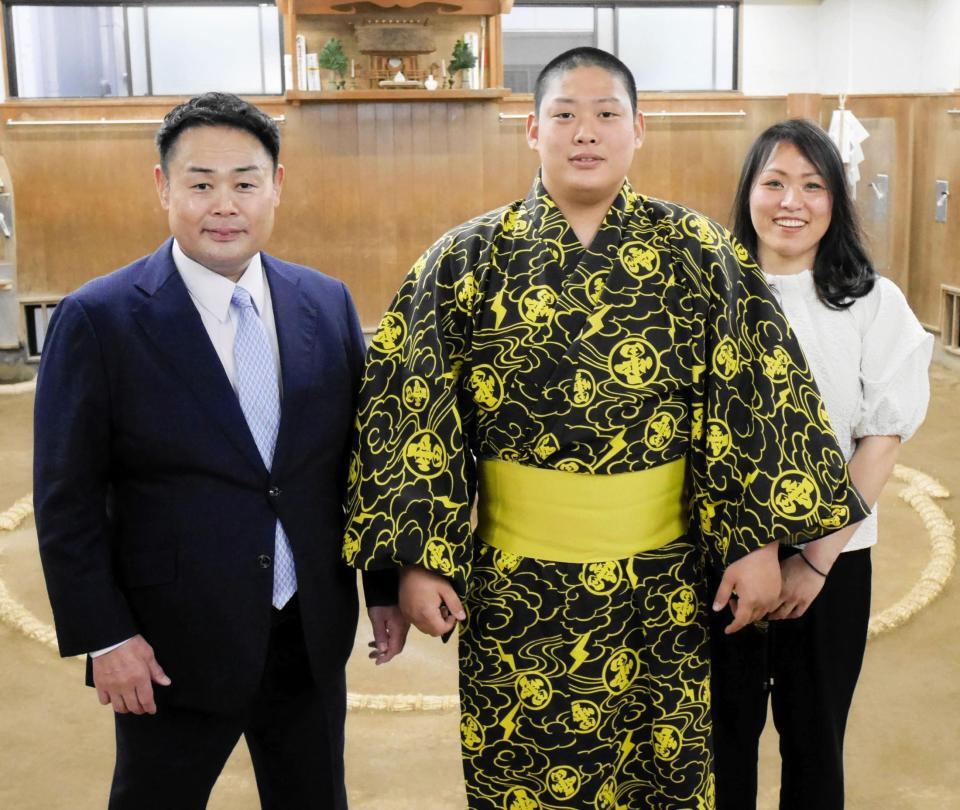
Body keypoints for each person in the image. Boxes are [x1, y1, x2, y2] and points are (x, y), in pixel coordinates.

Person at [344, 49, 868, 809]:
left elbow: (753, 394)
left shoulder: (699, 252)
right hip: (518, 588)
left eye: (605, 115)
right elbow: (408, 416)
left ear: (638, 129)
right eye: (564, 115)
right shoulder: (461, 261)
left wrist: (757, 543)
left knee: (662, 781)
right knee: (528, 777)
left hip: (664, 584)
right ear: (531, 130)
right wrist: (416, 564)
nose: (584, 132)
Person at [33, 92, 407, 810]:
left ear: (277, 186)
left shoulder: (324, 302)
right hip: (171, 643)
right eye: (201, 183)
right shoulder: (99, 318)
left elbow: (361, 466)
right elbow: (66, 500)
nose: (224, 204)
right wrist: (105, 637)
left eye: (245, 182)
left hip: (308, 632)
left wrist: (381, 588)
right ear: (163, 188)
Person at [710, 118, 932, 809]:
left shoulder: (872, 301)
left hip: (832, 563)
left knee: (814, 742)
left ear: (836, 199)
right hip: (720, 561)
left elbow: (881, 440)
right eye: (773, 182)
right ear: (748, 192)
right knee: (722, 741)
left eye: (812, 185)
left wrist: (812, 561)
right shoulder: (709, 294)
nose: (791, 201)